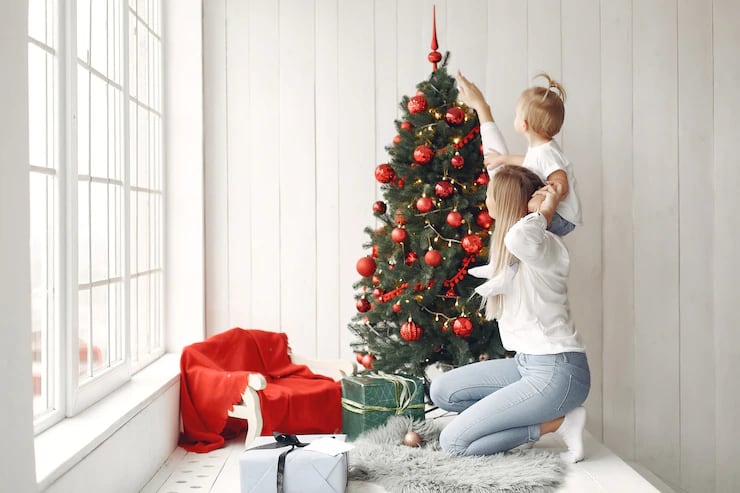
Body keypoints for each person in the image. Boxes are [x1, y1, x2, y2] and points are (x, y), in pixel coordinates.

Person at [429, 165, 590, 463]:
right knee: (443, 392)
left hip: (558, 372)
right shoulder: (517, 247)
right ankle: (497, 423)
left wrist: (546, 209)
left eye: (490, 193)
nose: (485, 196)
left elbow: (519, 237)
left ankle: (558, 423)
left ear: (502, 202)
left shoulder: (542, 246)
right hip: (526, 365)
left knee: (454, 443)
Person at [456, 71, 582, 236]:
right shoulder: (541, 149)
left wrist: (541, 200)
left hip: (562, 218)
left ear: (524, 124)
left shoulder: (547, 154)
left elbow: (561, 184)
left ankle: (513, 260)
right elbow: (530, 161)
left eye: (516, 114)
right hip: (558, 216)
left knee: (519, 229)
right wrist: (505, 159)